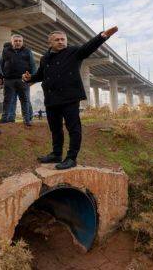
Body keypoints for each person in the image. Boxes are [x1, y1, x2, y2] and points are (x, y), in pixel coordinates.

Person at [23, 26, 119, 170]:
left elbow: (88, 47)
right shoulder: (45, 58)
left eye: (63, 39)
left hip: (70, 98)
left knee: (73, 129)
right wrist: (30, 77)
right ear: (50, 43)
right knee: (55, 128)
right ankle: (56, 154)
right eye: (57, 40)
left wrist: (103, 36)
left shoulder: (73, 52)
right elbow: (41, 75)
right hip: (51, 98)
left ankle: (71, 158)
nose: (61, 42)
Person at [0, 35, 35, 126]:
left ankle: (26, 119)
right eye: (15, 41)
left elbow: (32, 65)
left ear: (22, 42)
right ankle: (5, 118)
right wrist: (0, 78)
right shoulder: (6, 51)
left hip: (22, 80)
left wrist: (32, 79)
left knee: (24, 100)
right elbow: (1, 64)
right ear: (12, 42)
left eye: (19, 41)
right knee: (7, 100)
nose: (17, 42)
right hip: (8, 80)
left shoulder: (27, 51)